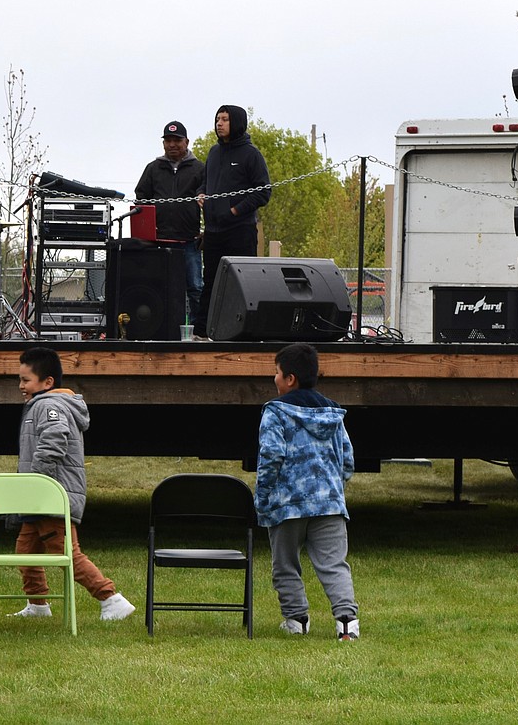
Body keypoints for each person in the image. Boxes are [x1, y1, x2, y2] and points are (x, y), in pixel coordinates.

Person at [9, 347, 135, 621]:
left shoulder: (48, 405)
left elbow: (54, 439)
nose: (21, 386)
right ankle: (38, 604)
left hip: (51, 496)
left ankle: (110, 598)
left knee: (66, 552)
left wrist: (37, 480)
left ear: (47, 382)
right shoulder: (42, 404)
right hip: (38, 497)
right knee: (25, 551)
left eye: (25, 380)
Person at [256, 343, 360, 640]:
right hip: (329, 504)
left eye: (275, 373)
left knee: (286, 564)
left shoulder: (275, 412)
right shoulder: (332, 413)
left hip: (286, 505)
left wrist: (263, 497)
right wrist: (333, 489)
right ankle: (346, 623)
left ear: (290, 379)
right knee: (333, 564)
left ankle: (296, 620)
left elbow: (271, 456)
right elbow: (348, 460)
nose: (273, 379)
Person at [193, 105, 270, 340]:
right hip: (214, 231)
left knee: (241, 284)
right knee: (210, 282)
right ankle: (202, 332)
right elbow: (205, 182)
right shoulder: (214, 153)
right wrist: (201, 194)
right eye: (217, 119)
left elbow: (263, 193)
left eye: (225, 119)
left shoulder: (251, 154)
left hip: (240, 230)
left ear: (236, 122)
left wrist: (235, 210)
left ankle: (245, 332)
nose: (219, 123)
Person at [134, 120, 206, 324]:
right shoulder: (153, 168)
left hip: (189, 241)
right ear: (163, 143)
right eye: (168, 140)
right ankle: (161, 327)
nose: (173, 144)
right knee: (158, 287)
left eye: (177, 140)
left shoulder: (199, 168)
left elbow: (208, 199)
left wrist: (206, 231)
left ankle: (197, 330)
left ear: (186, 142)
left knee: (195, 288)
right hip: (159, 242)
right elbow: (141, 198)